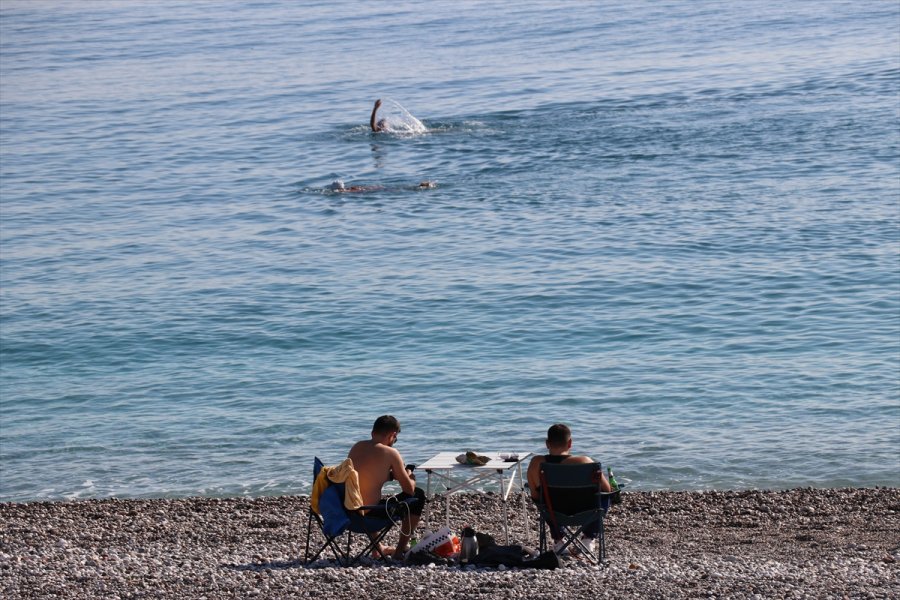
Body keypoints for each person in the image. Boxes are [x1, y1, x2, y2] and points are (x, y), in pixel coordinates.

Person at [348, 415, 426, 559]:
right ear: (392, 435)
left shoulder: (357, 447)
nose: (394, 442)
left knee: (368, 496)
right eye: (395, 439)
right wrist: (410, 478)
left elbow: (368, 474)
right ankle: (398, 552)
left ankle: (377, 549)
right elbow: (409, 490)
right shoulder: (391, 453)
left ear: (373, 433)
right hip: (370, 515)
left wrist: (391, 475)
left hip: (350, 512)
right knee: (418, 495)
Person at [526, 423, 611, 555]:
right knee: (605, 497)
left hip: (554, 513)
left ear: (547, 443)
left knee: (542, 501)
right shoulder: (585, 462)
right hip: (586, 512)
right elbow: (607, 489)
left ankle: (559, 540)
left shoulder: (536, 463)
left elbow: (535, 497)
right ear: (570, 443)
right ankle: (588, 538)